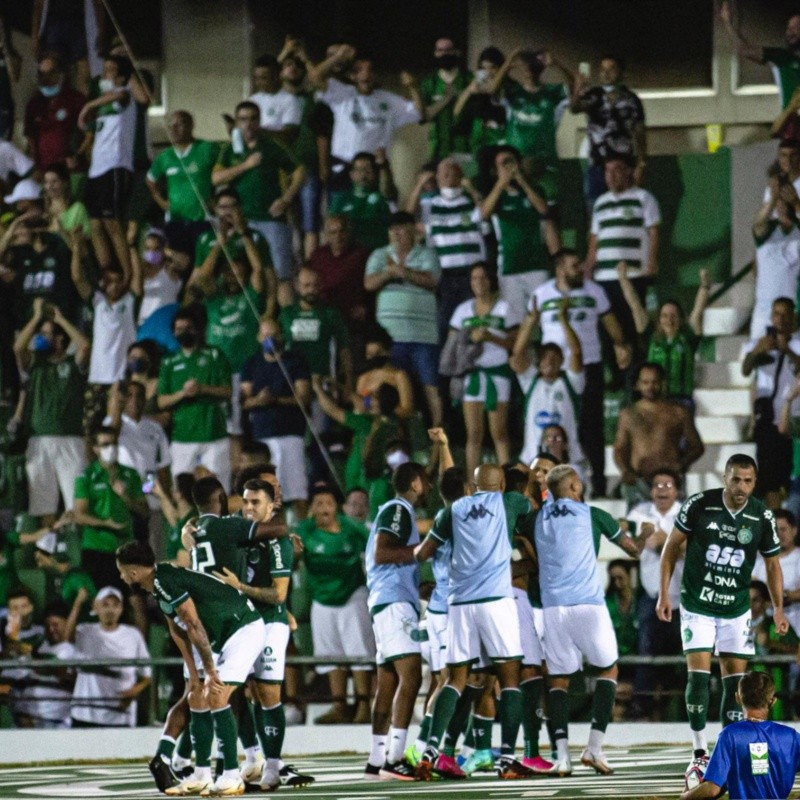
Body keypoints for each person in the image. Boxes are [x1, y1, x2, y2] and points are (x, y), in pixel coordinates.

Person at [657, 453, 789, 786]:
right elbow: (671, 547)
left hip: (736, 609)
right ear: (725, 478)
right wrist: (663, 593)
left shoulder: (761, 515)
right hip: (698, 604)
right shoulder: (700, 505)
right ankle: (699, 755)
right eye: (735, 479)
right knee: (698, 678)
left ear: (754, 482)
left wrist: (778, 608)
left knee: (737, 686)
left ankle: (731, 752)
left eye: (747, 480)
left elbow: (773, 565)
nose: (741, 486)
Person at [413, 464, 537, 780]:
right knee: (509, 678)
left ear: (474, 484)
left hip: (458, 605)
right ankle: (507, 759)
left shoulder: (452, 511)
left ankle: (430, 751)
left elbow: (423, 552)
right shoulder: (510, 501)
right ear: (503, 483)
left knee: (455, 680)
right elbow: (532, 506)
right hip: (496, 601)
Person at [116, 540, 266, 797]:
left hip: (243, 628)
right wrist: (194, 675)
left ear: (133, 573)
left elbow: (193, 624)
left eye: (121, 570)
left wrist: (209, 671)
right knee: (196, 696)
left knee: (216, 693)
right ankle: (202, 775)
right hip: (217, 634)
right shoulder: (158, 583)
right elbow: (178, 631)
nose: (120, 575)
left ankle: (231, 775)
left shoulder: (166, 581)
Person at [534, 464, 649, 775]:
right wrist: (647, 532)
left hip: (553, 609)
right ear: (574, 488)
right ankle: (593, 748)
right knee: (608, 669)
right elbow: (634, 550)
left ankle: (562, 757)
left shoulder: (537, 517)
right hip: (588, 607)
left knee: (557, 680)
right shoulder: (593, 515)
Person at [211, 479, 298, 792]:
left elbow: (278, 595)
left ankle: (272, 767)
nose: (248, 508)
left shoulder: (278, 542)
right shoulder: (239, 531)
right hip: (241, 624)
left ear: (271, 506)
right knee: (232, 690)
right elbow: (201, 523)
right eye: (245, 502)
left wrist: (241, 588)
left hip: (270, 623)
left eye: (256, 503)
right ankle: (252, 755)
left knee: (267, 694)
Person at [530, 248, 630, 497]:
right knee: (551, 428)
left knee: (591, 428)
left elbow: (612, 327)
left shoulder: (594, 291)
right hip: (553, 370)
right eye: (575, 265)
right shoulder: (541, 294)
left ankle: (597, 484)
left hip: (589, 366)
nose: (581, 269)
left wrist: (620, 345)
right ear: (560, 267)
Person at [363, 462, 428, 780]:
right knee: (411, 677)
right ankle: (396, 757)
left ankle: (376, 758)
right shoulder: (398, 509)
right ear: (415, 484)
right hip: (393, 602)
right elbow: (382, 553)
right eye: (424, 481)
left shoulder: (397, 510)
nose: (427, 486)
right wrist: (423, 550)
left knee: (387, 681)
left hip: (385, 601)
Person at [213, 100, 305, 307]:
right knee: (243, 274)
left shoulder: (272, 146)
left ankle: (286, 324)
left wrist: (286, 198)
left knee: (281, 276)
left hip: (271, 221)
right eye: (243, 119)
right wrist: (246, 165)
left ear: (259, 121)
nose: (248, 124)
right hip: (240, 222)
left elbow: (300, 171)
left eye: (253, 119)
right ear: (237, 122)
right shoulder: (229, 149)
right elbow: (216, 178)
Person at [294, 485, 374, 724]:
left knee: (359, 653)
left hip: (352, 596)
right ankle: (339, 706)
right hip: (321, 599)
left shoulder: (352, 528)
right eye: (318, 504)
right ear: (310, 510)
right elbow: (293, 559)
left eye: (328, 503)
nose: (324, 509)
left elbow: (374, 549)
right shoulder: (304, 531)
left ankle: (363, 706)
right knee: (331, 655)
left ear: (336, 507)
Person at [13, 299, 89, 525]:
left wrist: (61, 319)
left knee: (75, 502)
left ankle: (74, 551)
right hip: (39, 440)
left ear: (59, 338)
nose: (42, 337)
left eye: (48, 334)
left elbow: (84, 345)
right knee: (44, 502)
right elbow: (18, 347)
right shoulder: (35, 363)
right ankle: (48, 552)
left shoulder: (72, 363)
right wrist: (36, 318)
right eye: (41, 333)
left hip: (71, 440)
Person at [364, 211, 442, 426]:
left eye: (402, 228)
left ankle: (438, 435)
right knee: (394, 389)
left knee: (430, 387)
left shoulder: (427, 254)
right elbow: (369, 283)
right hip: (391, 336)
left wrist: (402, 272)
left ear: (412, 229)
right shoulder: (380, 255)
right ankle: (399, 435)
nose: (397, 234)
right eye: (393, 229)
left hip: (423, 335)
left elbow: (432, 280)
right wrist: (388, 273)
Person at [310, 49, 421, 196]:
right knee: (339, 216)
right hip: (344, 167)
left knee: (373, 215)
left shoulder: (388, 100)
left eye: (370, 71)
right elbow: (315, 77)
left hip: (374, 170)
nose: (365, 74)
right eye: (360, 71)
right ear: (352, 76)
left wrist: (413, 87)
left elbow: (419, 113)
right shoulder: (343, 93)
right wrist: (337, 57)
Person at [680, 671, 800, 800]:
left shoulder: (730, 735)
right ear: (773, 701)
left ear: (738, 698)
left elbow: (711, 789)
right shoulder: (791, 737)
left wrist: (684, 797)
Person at [446, 263, 518, 476]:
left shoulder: (504, 308)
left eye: (482, 278)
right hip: (472, 374)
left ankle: (507, 480)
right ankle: (473, 482)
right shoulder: (463, 310)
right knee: (474, 434)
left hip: (497, 373)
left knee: (499, 432)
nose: (478, 282)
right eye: (474, 278)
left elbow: (515, 342)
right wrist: (468, 338)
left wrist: (490, 337)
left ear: (490, 280)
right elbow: (452, 342)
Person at [241, 318, 311, 520]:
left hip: (290, 434)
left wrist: (276, 399)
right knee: (265, 489)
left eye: (273, 335)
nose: (269, 340)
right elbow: (244, 401)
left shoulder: (295, 361)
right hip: (262, 436)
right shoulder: (252, 363)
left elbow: (304, 397)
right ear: (258, 338)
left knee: (297, 489)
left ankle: (300, 529)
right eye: (265, 336)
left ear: (281, 335)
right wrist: (260, 400)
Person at [627, 470, 684, 718]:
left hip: (684, 600)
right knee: (646, 655)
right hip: (652, 597)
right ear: (650, 491)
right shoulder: (639, 513)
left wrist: (663, 541)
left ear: (676, 490)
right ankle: (643, 709)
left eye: (668, 484)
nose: (662, 489)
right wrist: (675, 543)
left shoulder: (687, 512)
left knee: (686, 659)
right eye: (657, 484)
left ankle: (685, 711)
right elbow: (634, 546)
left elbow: (694, 548)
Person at [480, 146, 560, 324]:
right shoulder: (496, 197)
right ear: (495, 170)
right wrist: (502, 183)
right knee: (514, 322)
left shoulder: (535, 190)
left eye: (511, 161)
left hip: (537, 265)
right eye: (503, 164)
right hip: (509, 268)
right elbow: (484, 213)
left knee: (546, 317)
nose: (509, 167)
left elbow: (543, 210)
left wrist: (522, 182)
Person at [585, 155, 661, 342]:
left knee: (634, 327)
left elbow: (653, 232)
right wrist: (588, 266)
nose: (611, 175)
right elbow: (595, 238)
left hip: (633, 275)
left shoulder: (644, 198)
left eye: (617, 170)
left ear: (628, 171)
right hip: (604, 277)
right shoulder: (600, 203)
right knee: (609, 332)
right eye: (607, 171)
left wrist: (651, 261)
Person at [157, 306, 233, 491]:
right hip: (182, 436)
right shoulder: (168, 362)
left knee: (218, 487)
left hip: (214, 434)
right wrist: (183, 393)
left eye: (188, 328)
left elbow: (228, 391)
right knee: (182, 489)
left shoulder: (215, 355)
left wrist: (202, 389)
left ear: (197, 330)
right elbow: (161, 401)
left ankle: (220, 520)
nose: (183, 333)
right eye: (179, 329)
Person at [79, 55, 141, 275]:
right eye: (104, 70)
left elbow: (121, 94)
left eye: (111, 70)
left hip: (115, 166)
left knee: (112, 224)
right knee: (95, 224)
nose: (105, 74)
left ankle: (126, 274)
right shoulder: (104, 106)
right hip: (96, 168)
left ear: (122, 77)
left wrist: (88, 105)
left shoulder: (125, 99)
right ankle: (108, 272)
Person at [618, 262, 710, 408]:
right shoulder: (650, 337)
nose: (669, 320)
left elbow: (698, 309)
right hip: (655, 401)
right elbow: (634, 304)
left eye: (674, 315)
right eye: (665, 315)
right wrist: (623, 279)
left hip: (682, 403)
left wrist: (705, 285)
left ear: (681, 319)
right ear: (659, 319)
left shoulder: (688, 338)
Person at [613, 362, 705, 506]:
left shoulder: (679, 412)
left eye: (655, 382)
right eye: (645, 382)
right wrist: (626, 470)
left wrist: (682, 464)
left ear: (663, 383)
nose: (650, 386)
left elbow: (696, 446)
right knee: (640, 526)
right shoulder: (628, 414)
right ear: (637, 384)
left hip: (671, 481)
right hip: (639, 482)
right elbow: (620, 448)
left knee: (673, 527)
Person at [512, 295, 585, 468]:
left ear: (562, 362)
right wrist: (530, 323)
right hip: (532, 459)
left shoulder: (571, 382)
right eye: (544, 358)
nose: (549, 362)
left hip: (568, 459)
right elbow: (517, 356)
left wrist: (563, 320)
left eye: (554, 358)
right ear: (538, 362)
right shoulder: (531, 381)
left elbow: (576, 352)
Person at [418, 158, 485, 344]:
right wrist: (420, 185)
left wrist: (471, 189)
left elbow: (485, 219)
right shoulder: (429, 205)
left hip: (471, 274)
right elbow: (407, 218)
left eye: (453, 171)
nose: (448, 175)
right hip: (444, 275)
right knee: (443, 323)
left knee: (473, 322)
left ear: (461, 176)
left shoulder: (471, 202)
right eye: (444, 172)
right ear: (437, 177)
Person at [490, 48, 572, 200]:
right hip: (515, 165)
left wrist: (557, 64)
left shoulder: (554, 92)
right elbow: (493, 91)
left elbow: (573, 89)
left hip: (546, 163)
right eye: (526, 64)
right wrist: (508, 62)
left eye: (533, 64)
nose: (529, 68)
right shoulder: (512, 92)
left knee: (548, 205)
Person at [74, 426, 147, 593]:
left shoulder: (130, 474)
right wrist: (106, 523)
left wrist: (126, 497)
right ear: (96, 448)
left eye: (114, 444)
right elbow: (79, 515)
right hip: (96, 548)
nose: (111, 448)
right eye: (106, 444)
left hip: (127, 547)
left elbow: (144, 511)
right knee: (103, 598)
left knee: (135, 599)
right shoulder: (86, 476)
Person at [742, 297, 800, 506]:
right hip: (765, 419)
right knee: (766, 477)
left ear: (793, 315)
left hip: (789, 417)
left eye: (785, 314)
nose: (780, 319)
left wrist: (788, 350)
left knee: (782, 475)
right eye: (776, 313)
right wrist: (757, 351)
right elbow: (745, 369)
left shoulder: (798, 342)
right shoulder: (761, 341)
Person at [69, 586, 151, 728]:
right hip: (86, 714)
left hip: (120, 716)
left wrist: (133, 692)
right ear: (97, 607)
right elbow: (67, 638)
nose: (110, 610)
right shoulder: (85, 631)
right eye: (105, 605)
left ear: (121, 609)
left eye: (115, 605)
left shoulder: (133, 635)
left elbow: (147, 675)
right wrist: (77, 604)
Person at [569, 54, 646, 205]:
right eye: (603, 69)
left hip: (624, 166)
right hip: (598, 165)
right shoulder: (593, 95)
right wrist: (578, 88)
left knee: (624, 209)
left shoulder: (632, 99)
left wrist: (641, 164)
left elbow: (640, 134)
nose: (606, 73)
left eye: (611, 69)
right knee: (596, 210)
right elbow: (574, 108)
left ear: (622, 73)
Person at [146, 111, 218, 258]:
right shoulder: (165, 156)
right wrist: (161, 202)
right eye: (171, 125)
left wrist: (217, 201)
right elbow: (150, 180)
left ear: (191, 125)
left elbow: (222, 172)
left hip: (202, 220)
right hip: (175, 221)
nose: (174, 128)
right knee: (179, 263)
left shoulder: (206, 148)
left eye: (180, 124)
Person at [721, 2, 800, 109]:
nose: (790, 32)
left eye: (796, 27)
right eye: (788, 28)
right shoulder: (781, 57)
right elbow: (744, 50)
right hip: (791, 121)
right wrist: (728, 24)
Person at [308, 214, 371, 345]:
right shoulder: (318, 256)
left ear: (349, 232)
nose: (338, 236)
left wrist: (367, 307)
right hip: (325, 316)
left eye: (342, 231)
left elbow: (371, 286)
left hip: (351, 319)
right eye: (333, 232)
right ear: (327, 235)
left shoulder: (361, 255)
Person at [751, 180, 800, 340]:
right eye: (778, 201)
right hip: (764, 315)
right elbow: (758, 224)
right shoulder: (768, 230)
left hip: (792, 316)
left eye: (785, 199)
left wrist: (797, 203)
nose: (781, 205)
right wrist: (772, 198)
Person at [14, 601, 75, 728]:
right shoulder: (40, 645)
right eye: (47, 625)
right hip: (27, 718)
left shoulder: (70, 649)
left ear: (66, 623)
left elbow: (54, 669)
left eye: (56, 624)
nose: (52, 629)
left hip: (54, 720)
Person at [24, 52, 86, 171]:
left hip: (72, 170)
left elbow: (89, 134)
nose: (45, 78)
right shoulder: (34, 103)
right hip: (45, 171)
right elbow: (30, 139)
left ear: (62, 74)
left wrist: (77, 156)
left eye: (51, 73)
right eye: (41, 74)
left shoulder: (76, 99)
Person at [419, 38, 472, 162]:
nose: (444, 54)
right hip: (437, 146)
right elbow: (423, 117)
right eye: (440, 50)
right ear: (435, 53)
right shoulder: (428, 82)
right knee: (438, 179)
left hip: (464, 145)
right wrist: (446, 98)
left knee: (468, 179)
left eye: (448, 50)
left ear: (456, 52)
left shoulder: (469, 79)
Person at [328, 152, 393, 253]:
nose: (363, 175)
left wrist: (384, 167)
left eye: (368, 170)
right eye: (359, 170)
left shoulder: (381, 197)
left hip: (375, 252)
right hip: (348, 253)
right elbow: (332, 225)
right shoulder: (341, 199)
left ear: (375, 173)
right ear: (351, 174)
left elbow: (388, 191)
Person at [248, 54, 302, 136]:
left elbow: (290, 134)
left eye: (264, 78)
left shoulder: (290, 100)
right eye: (256, 78)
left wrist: (261, 132)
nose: (258, 83)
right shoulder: (253, 100)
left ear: (276, 76)